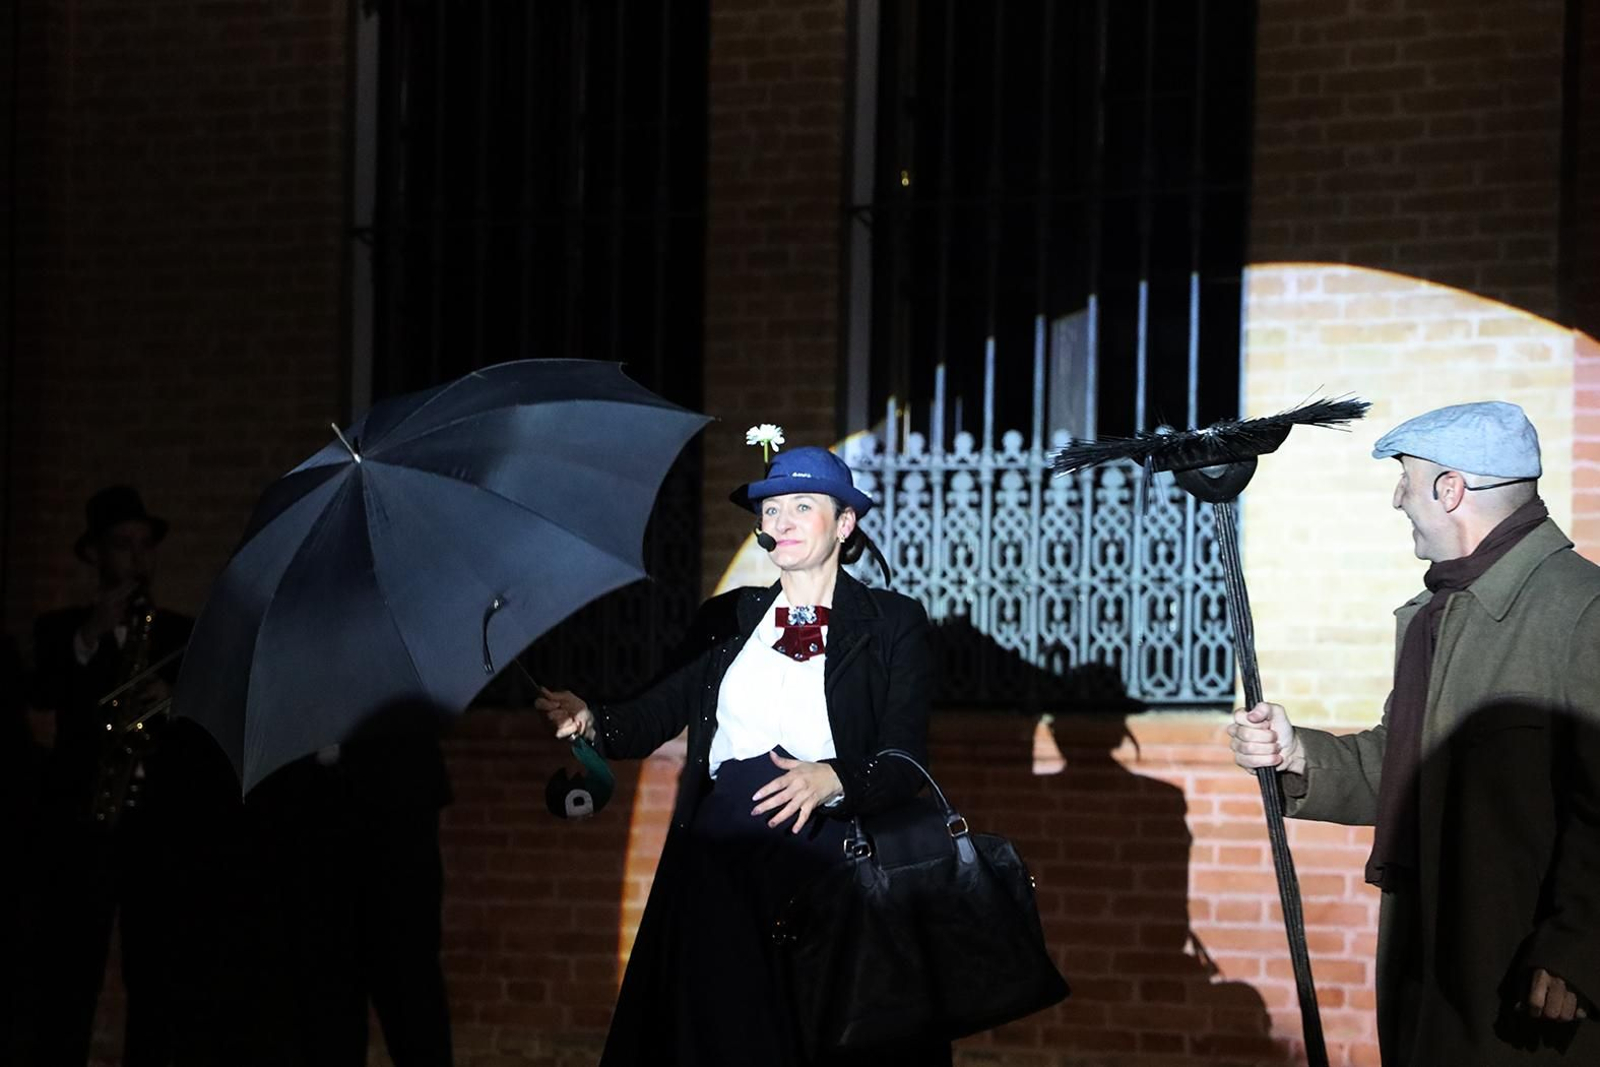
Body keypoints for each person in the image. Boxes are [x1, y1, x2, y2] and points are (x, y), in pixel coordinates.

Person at [537, 444, 950, 1067]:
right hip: (720, 864)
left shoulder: (891, 622)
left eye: (800, 507)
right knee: (719, 1036)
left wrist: (833, 779)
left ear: (845, 524)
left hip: (827, 864)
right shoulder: (727, 619)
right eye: (771, 508)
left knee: (816, 1036)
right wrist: (591, 719)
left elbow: (904, 760)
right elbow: (649, 717)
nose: (779, 522)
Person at [1228, 401, 1600, 1064]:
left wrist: (1576, 944)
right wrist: (1296, 750)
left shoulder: (1580, 608)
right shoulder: (1438, 613)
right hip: (1432, 966)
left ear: (1450, 488)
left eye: (1406, 479)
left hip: (1531, 985)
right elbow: (1403, 767)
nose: (1398, 499)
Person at [19, 486, 195, 1066]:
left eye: (145, 545)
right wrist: (90, 635)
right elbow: (41, 696)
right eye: (123, 545)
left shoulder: (178, 635)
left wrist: (176, 698)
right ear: (94, 555)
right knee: (70, 978)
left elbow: (211, 724)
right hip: (83, 829)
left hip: (157, 828)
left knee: (160, 982)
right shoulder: (58, 631)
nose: (137, 558)